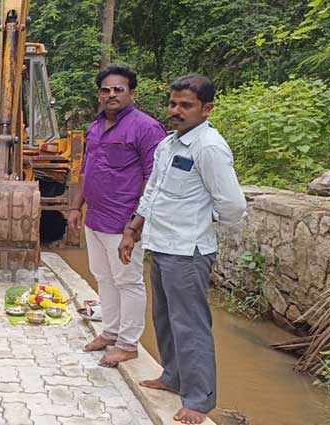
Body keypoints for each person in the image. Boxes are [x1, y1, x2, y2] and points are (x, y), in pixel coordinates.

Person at [118, 74, 246, 425]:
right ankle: (172, 376)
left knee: (190, 325)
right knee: (165, 319)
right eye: (173, 103)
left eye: (185, 105)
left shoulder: (209, 148)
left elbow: (233, 206)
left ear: (207, 109)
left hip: (188, 252)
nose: (176, 111)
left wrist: (201, 219)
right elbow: (153, 191)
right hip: (160, 245)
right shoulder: (169, 144)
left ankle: (199, 400)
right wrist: (133, 229)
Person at [67, 64, 166, 368]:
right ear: (100, 94)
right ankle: (110, 332)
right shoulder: (95, 127)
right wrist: (75, 206)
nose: (111, 94)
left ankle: (128, 344)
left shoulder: (146, 128)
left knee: (128, 281)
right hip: (95, 219)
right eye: (106, 90)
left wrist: (134, 226)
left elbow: (155, 180)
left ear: (131, 93)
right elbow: (86, 170)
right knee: (104, 278)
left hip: (123, 222)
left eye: (118, 89)